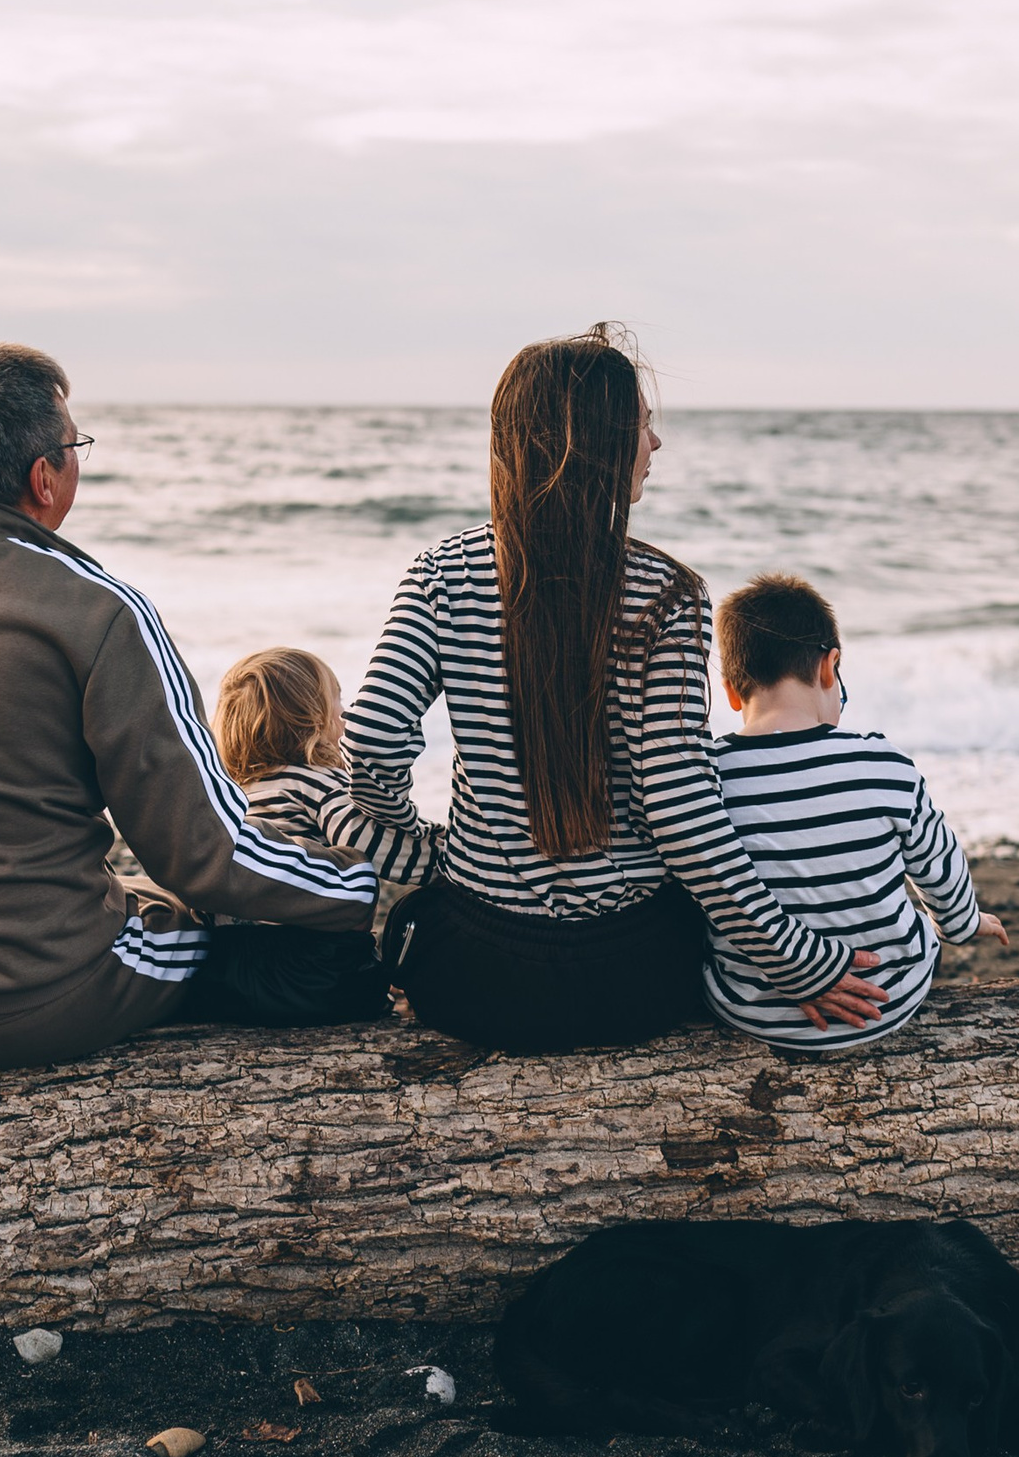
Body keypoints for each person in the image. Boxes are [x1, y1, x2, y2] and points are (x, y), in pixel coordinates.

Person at [0, 343, 379, 1067]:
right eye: (75, 447)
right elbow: (205, 854)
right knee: (225, 937)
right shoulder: (97, 612)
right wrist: (369, 885)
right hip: (26, 1000)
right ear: (44, 477)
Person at [340, 323, 888, 1052]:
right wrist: (797, 962)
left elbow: (371, 738)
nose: (655, 445)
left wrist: (426, 845)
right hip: (633, 982)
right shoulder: (667, 595)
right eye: (642, 425)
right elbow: (682, 810)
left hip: (473, 978)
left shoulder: (443, 574)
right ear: (592, 442)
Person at [706, 573, 1007, 1053]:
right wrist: (963, 923)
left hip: (755, 1011)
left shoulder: (709, 777)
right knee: (917, 926)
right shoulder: (881, 762)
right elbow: (939, 864)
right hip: (890, 998)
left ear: (731, 693)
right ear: (830, 667)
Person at [185, 647, 441, 1026]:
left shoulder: (233, 795)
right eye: (338, 700)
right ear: (314, 719)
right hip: (312, 972)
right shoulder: (319, 782)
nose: (345, 712)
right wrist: (451, 859)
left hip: (227, 967)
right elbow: (371, 845)